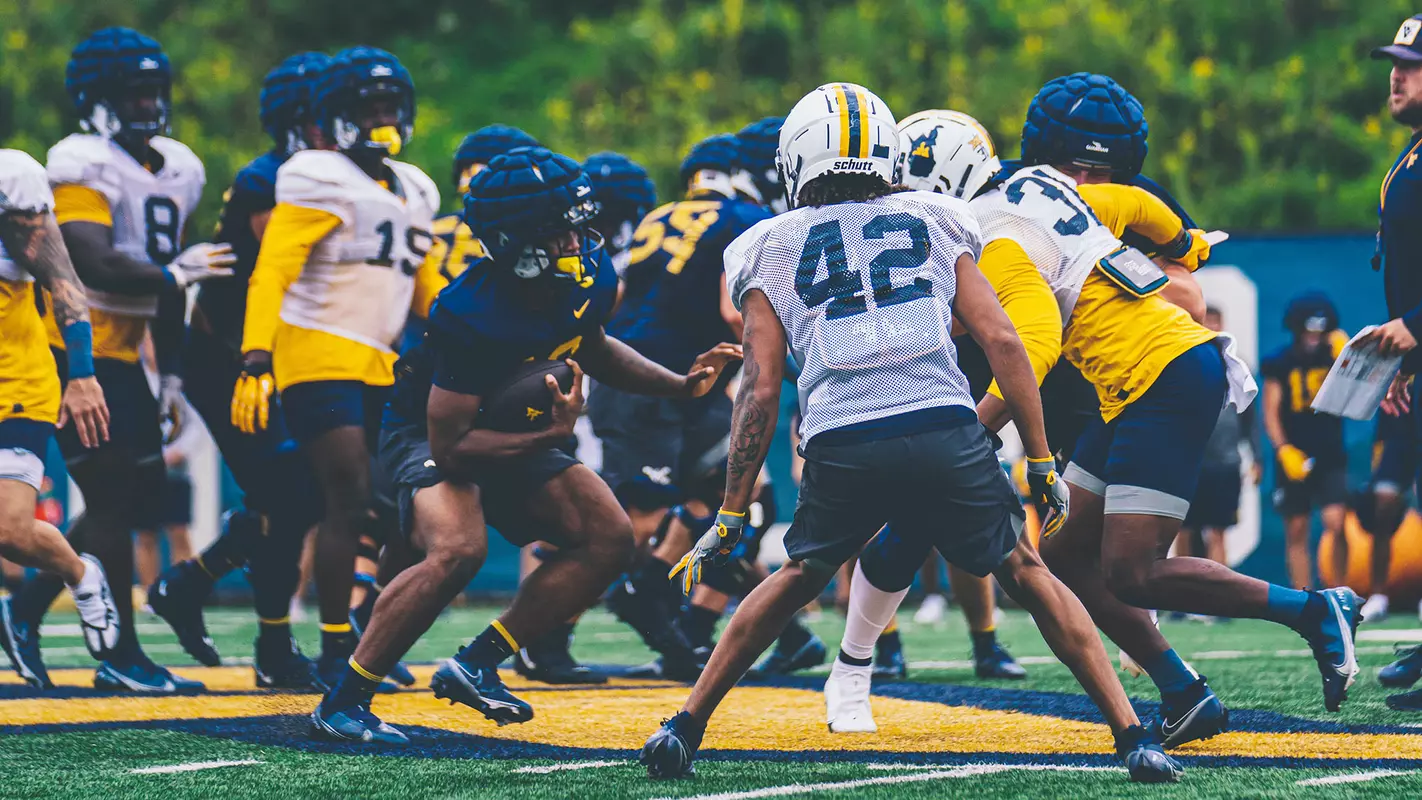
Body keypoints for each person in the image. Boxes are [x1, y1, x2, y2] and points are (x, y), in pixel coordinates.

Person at [639, 82, 1182, 784]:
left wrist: (733, 510)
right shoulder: (936, 216)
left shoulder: (764, 246)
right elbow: (1005, 342)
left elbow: (761, 390)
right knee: (1025, 570)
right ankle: (1133, 733)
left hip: (843, 441)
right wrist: (1042, 458)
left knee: (796, 574)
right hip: (942, 429)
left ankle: (686, 725)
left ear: (797, 159)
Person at [966, 74, 1359, 736]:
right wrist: (1188, 244)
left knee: (1133, 571)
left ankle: (1315, 610)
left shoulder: (993, 229)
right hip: (1141, 382)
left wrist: (972, 430)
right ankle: (1185, 694)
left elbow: (1030, 346)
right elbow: (1138, 208)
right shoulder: (1054, 191)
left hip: (1161, 375)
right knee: (1062, 553)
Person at [310, 146, 740, 744]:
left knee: (609, 539)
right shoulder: (470, 312)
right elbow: (454, 446)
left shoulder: (586, 276)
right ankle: (345, 699)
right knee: (458, 549)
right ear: (520, 242)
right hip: (431, 434)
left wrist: (680, 385)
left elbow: (592, 345)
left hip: (517, 428)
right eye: (565, 228)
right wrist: (549, 435)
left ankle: (478, 661)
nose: (581, 238)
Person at [7, 28, 234, 693]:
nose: (145, 105)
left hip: (126, 351)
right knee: (112, 497)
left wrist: (166, 373)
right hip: (67, 347)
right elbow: (92, 261)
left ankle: (24, 614)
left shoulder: (181, 167)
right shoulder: (78, 161)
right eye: (130, 94)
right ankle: (118, 654)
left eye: (151, 92)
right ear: (96, 99)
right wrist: (172, 275)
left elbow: (169, 281)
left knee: (128, 496)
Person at [233, 46, 439, 689]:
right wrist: (255, 355)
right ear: (338, 116)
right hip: (316, 349)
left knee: (389, 505)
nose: (384, 116)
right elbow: (274, 268)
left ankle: (357, 636)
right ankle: (334, 646)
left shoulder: (414, 185)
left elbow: (425, 286)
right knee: (347, 498)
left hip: (381, 362)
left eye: (390, 105)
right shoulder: (315, 174)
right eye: (369, 106)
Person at [144, 51, 331, 692]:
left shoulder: (332, 175)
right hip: (233, 358)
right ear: (300, 119)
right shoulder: (269, 178)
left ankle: (190, 584)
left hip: (284, 358)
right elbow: (287, 273)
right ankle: (273, 647)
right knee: (292, 498)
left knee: (303, 496)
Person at [594, 134, 788, 679]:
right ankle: (550, 630)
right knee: (638, 519)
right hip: (655, 381)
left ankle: (658, 602)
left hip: (666, 376)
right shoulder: (744, 216)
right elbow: (734, 308)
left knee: (733, 493)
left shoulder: (661, 215)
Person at [0, 148, 120, 684]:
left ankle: (80, 572)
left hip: (13, 382)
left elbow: (64, 282)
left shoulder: (11, 178)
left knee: (9, 530)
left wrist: (82, 373)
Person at [1366, 14, 1422, 712]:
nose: (1397, 72)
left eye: (1413, 61)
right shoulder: (1410, 155)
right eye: (1396, 59)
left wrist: (1415, 325)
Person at [1260, 293, 1348, 590]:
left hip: (1330, 451)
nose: (1314, 337)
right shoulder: (1280, 362)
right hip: (1295, 451)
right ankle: (1304, 599)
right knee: (1296, 529)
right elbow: (1270, 412)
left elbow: (1358, 395)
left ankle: (1338, 593)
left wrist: (1350, 358)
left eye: (1319, 331)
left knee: (1337, 523)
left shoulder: (1336, 358)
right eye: (1308, 331)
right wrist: (1283, 449)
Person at [1179, 307, 1259, 572]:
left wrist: (1257, 458)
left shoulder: (1236, 366)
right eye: (1206, 322)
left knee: (1218, 530)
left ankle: (1215, 598)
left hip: (1224, 463)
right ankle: (1182, 597)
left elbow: (1249, 418)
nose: (1211, 328)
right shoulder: (1183, 362)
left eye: (1216, 323)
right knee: (1184, 529)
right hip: (1189, 462)